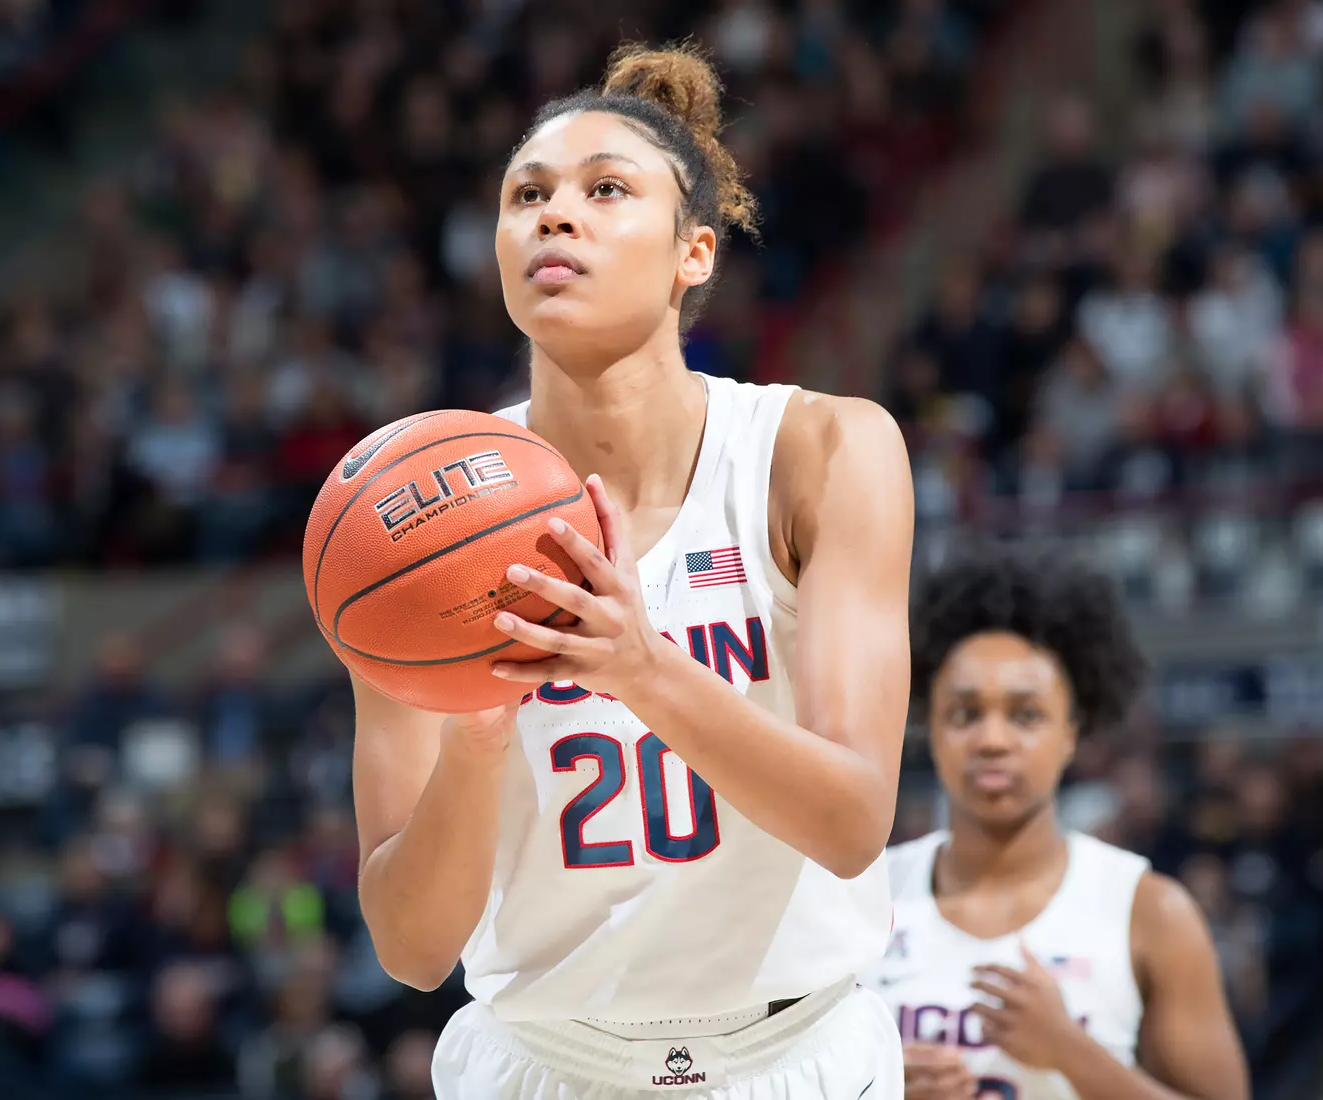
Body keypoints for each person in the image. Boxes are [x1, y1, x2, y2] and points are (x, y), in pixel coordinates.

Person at [347, 42, 915, 1100]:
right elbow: (411, 947)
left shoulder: (819, 449)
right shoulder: (410, 518)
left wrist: (642, 667)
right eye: (528, 195)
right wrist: (473, 742)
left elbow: (850, 820)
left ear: (693, 252)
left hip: (792, 1054)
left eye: (607, 189)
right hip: (545, 1060)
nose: (555, 215)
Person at [866, 546, 1249, 1100]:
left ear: (1073, 730)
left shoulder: (1152, 913)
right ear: (933, 727)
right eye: (966, 713)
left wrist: (1071, 1052)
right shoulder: (866, 897)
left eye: (1026, 715)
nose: (992, 740)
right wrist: (874, 1087)